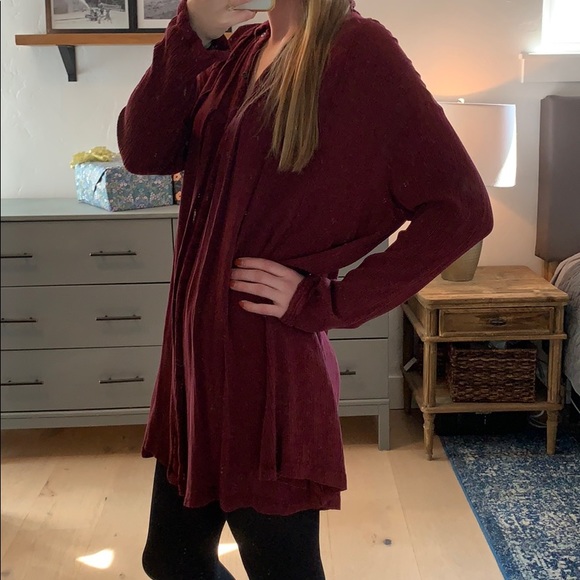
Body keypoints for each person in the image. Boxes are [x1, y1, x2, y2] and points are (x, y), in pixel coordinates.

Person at [117, 0, 493, 578]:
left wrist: (331, 302)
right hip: (195, 367)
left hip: (268, 372)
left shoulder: (360, 53)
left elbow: (461, 209)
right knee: (170, 559)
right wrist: (191, 32)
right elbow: (142, 152)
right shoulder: (240, 48)